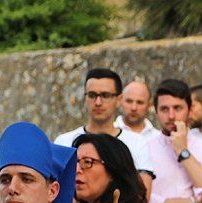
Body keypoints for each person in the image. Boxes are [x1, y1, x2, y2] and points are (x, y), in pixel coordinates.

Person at [55, 68, 155, 196]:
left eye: (105, 95)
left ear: (119, 99)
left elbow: (143, 196)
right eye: (92, 95)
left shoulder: (137, 142)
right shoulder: (63, 142)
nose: (98, 102)